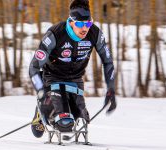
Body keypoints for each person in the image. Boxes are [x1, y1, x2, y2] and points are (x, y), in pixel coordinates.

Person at [29, 0, 116, 138]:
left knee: (82, 121)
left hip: (75, 80)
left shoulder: (95, 33)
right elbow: (34, 67)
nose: (85, 28)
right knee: (64, 123)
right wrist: (40, 92)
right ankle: (40, 112)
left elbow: (108, 61)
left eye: (88, 23)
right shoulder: (55, 34)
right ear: (71, 22)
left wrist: (111, 89)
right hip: (53, 79)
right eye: (80, 24)